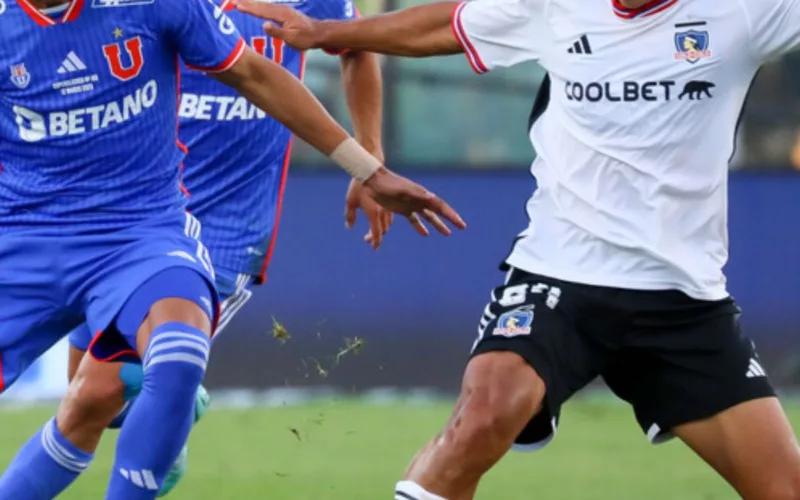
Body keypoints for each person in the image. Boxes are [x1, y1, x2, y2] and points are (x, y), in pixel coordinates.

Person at [235, 0, 800, 498]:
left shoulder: (742, 12)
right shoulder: (555, 7)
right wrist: (325, 33)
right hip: (558, 277)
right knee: (482, 417)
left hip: (682, 298)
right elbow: (445, 27)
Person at [0, 0, 464, 497]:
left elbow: (321, 55)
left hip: (194, 229)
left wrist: (368, 160)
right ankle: (168, 421)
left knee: (121, 380)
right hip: (58, 223)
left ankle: (166, 408)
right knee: (90, 405)